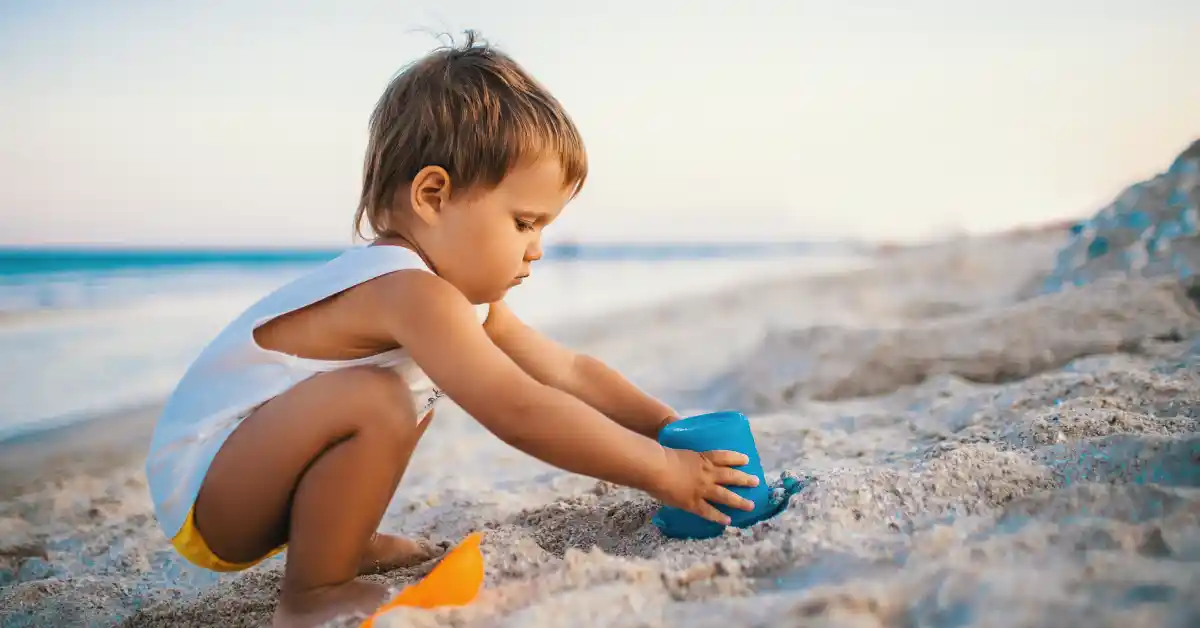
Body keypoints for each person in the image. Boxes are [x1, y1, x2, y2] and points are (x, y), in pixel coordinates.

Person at [144, 31, 759, 627]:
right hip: (211, 495)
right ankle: (312, 593)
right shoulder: (405, 289)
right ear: (433, 195)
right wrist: (660, 471)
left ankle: (341, 540)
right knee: (379, 396)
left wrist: (666, 431)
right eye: (524, 222)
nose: (537, 250)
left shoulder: (452, 302)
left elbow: (567, 372)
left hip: (256, 476)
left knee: (401, 397)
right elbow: (518, 408)